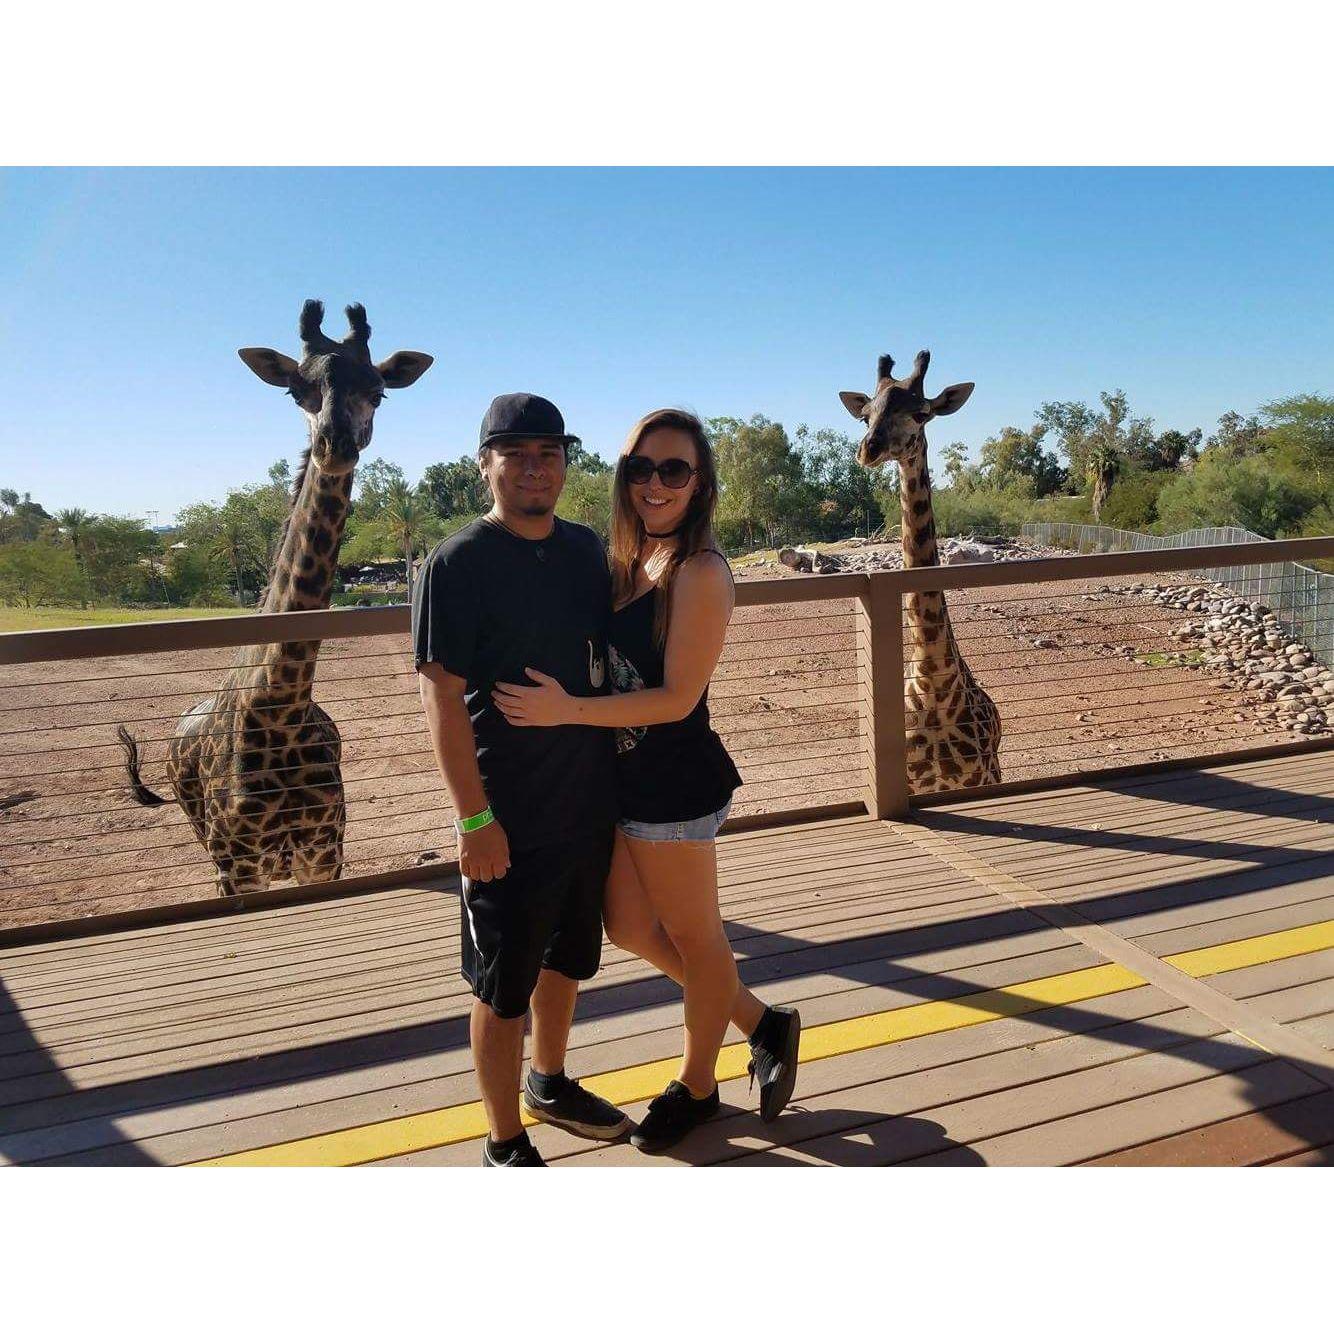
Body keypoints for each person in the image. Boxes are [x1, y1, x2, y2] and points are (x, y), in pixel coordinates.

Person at [494, 408, 801, 1154]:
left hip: (674, 781)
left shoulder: (699, 571)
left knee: (699, 938)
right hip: (623, 781)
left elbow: (677, 699)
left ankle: (698, 1085)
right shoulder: (632, 562)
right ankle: (761, 1022)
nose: (654, 483)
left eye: (674, 469)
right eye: (640, 468)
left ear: (700, 485)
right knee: (629, 927)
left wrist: (568, 710)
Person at [412, 391, 630, 1167]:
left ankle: (550, 1080)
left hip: (585, 803)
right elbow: (441, 694)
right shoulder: (458, 563)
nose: (536, 468)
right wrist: (475, 821)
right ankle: (504, 1140)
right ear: (486, 467)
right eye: (517, 454)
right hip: (505, 814)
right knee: (502, 984)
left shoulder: (583, 552)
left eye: (550, 453)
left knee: (568, 958)